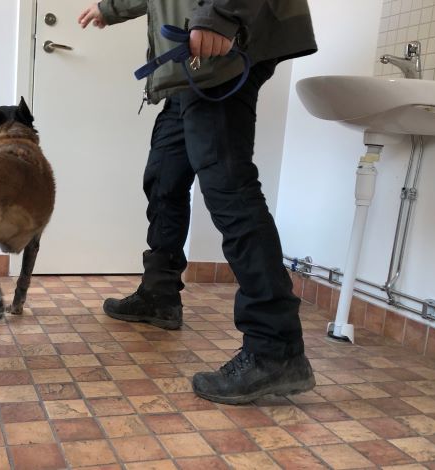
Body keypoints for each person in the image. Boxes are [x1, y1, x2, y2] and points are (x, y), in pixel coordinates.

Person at [78, 1, 318, 405]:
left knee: (230, 189)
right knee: (164, 175)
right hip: (192, 61)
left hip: (221, 48)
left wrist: (220, 15)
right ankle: (159, 295)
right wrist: (111, 8)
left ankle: (276, 348)